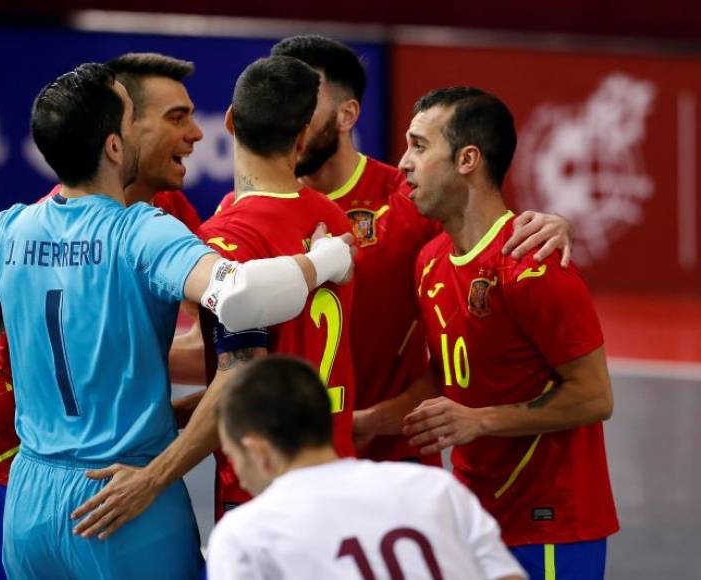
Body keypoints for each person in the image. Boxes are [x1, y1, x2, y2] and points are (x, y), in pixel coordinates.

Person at [0, 62, 354, 579]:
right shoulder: (142, 232)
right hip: (124, 498)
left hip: (30, 499)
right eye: (132, 122)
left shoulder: (7, 231)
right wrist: (325, 261)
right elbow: (240, 295)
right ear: (114, 146)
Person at [0, 53, 206, 579]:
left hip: (100, 468)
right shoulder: (37, 229)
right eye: (176, 118)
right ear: (120, 135)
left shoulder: (167, 214)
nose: (196, 133)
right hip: (9, 462)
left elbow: (195, 344)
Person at [67, 55, 357, 535]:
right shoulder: (334, 221)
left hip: (261, 491)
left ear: (229, 122)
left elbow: (239, 375)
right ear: (304, 135)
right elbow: (283, 358)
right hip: (336, 470)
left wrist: (152, 478)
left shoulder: (228, 239)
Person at [267, 35, 574, 464]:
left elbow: (488, 228)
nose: (287, 119)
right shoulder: (262, 210)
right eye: (278, 101)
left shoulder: (410, 199)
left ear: (347, 114)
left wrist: (554, 223)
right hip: (289, 457)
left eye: (303, 102)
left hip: (392, 459)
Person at [400, 87, 618, 579]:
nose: (403, 163)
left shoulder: (534, 267)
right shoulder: (431, 262)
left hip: (549, 526)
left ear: (467, 159)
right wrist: (361, 422)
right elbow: (448, 379)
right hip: (475, 519)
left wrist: (479, 421)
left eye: (418, 146)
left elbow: (595, 397)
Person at [207, 355, 527, 580]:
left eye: (233, 456)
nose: (241, 478)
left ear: (258, 450)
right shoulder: (435, 488)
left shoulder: (245, 534)